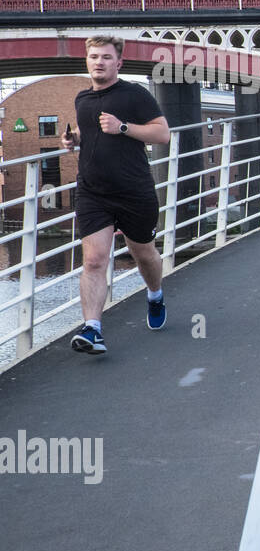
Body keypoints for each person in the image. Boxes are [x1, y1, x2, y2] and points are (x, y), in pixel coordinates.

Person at [60, 35, 171, 355]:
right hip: (93, 192)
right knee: (94, 260)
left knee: (144, 254)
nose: (99, 62)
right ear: (87, 61)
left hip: (135, 191)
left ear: (118, 63)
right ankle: (92, 329)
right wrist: (74, 140)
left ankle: (155, 294)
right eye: (94, 56)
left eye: (106, 57)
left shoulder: (134, 95)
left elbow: (162, 134)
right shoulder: (82, 99)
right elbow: (90, 132)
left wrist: (123, 127)